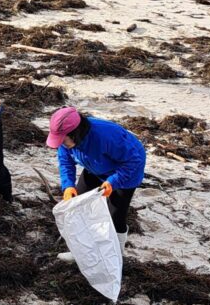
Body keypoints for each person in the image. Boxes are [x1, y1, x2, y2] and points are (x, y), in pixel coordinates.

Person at [46, 107, 146, 262]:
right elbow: (65, 162)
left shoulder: (106, 136)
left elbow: (134, 160)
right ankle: (80, 252)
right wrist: (68, 186)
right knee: (78, 207)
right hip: (95, 167)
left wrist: (113, 181)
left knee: (115, 216)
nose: (62, 144)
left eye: (63, 140)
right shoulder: (65, 141)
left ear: (76, 133)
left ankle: (116, 257)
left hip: (125, 171)